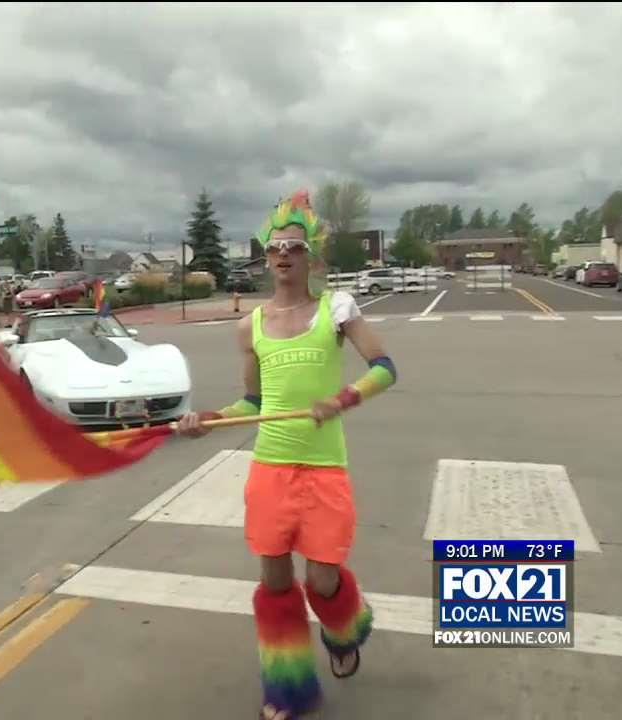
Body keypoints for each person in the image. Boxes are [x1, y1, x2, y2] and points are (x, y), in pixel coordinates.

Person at [176, 189, 397, 720]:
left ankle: (347, 629)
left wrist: (342, 398)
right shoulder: (248, 325)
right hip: (271, 467)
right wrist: (209, 420)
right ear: (265, 256)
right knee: (275, 584)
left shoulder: (335, 310)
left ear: (311, 258)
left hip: (324, 468)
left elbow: (385, 367)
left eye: (294, 247)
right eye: (274, 247)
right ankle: (288, 688)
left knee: (322, 580)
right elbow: (252, 401)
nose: (282, 256)